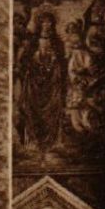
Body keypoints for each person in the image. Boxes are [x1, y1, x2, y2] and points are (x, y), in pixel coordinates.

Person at [16, 10, 67, 152]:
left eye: (49, 21)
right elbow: (24, 60)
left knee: (53, 109)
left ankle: (52, 142)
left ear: (52, 23)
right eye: (43, 22)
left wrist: (55, 61)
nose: (46, 24)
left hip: (52, 81)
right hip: (35, 81)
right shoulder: (33, 41)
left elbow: (63, 61)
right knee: (33, 109)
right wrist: (35, 59)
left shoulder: (57, 42)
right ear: (39, 23)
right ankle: (33, 141)